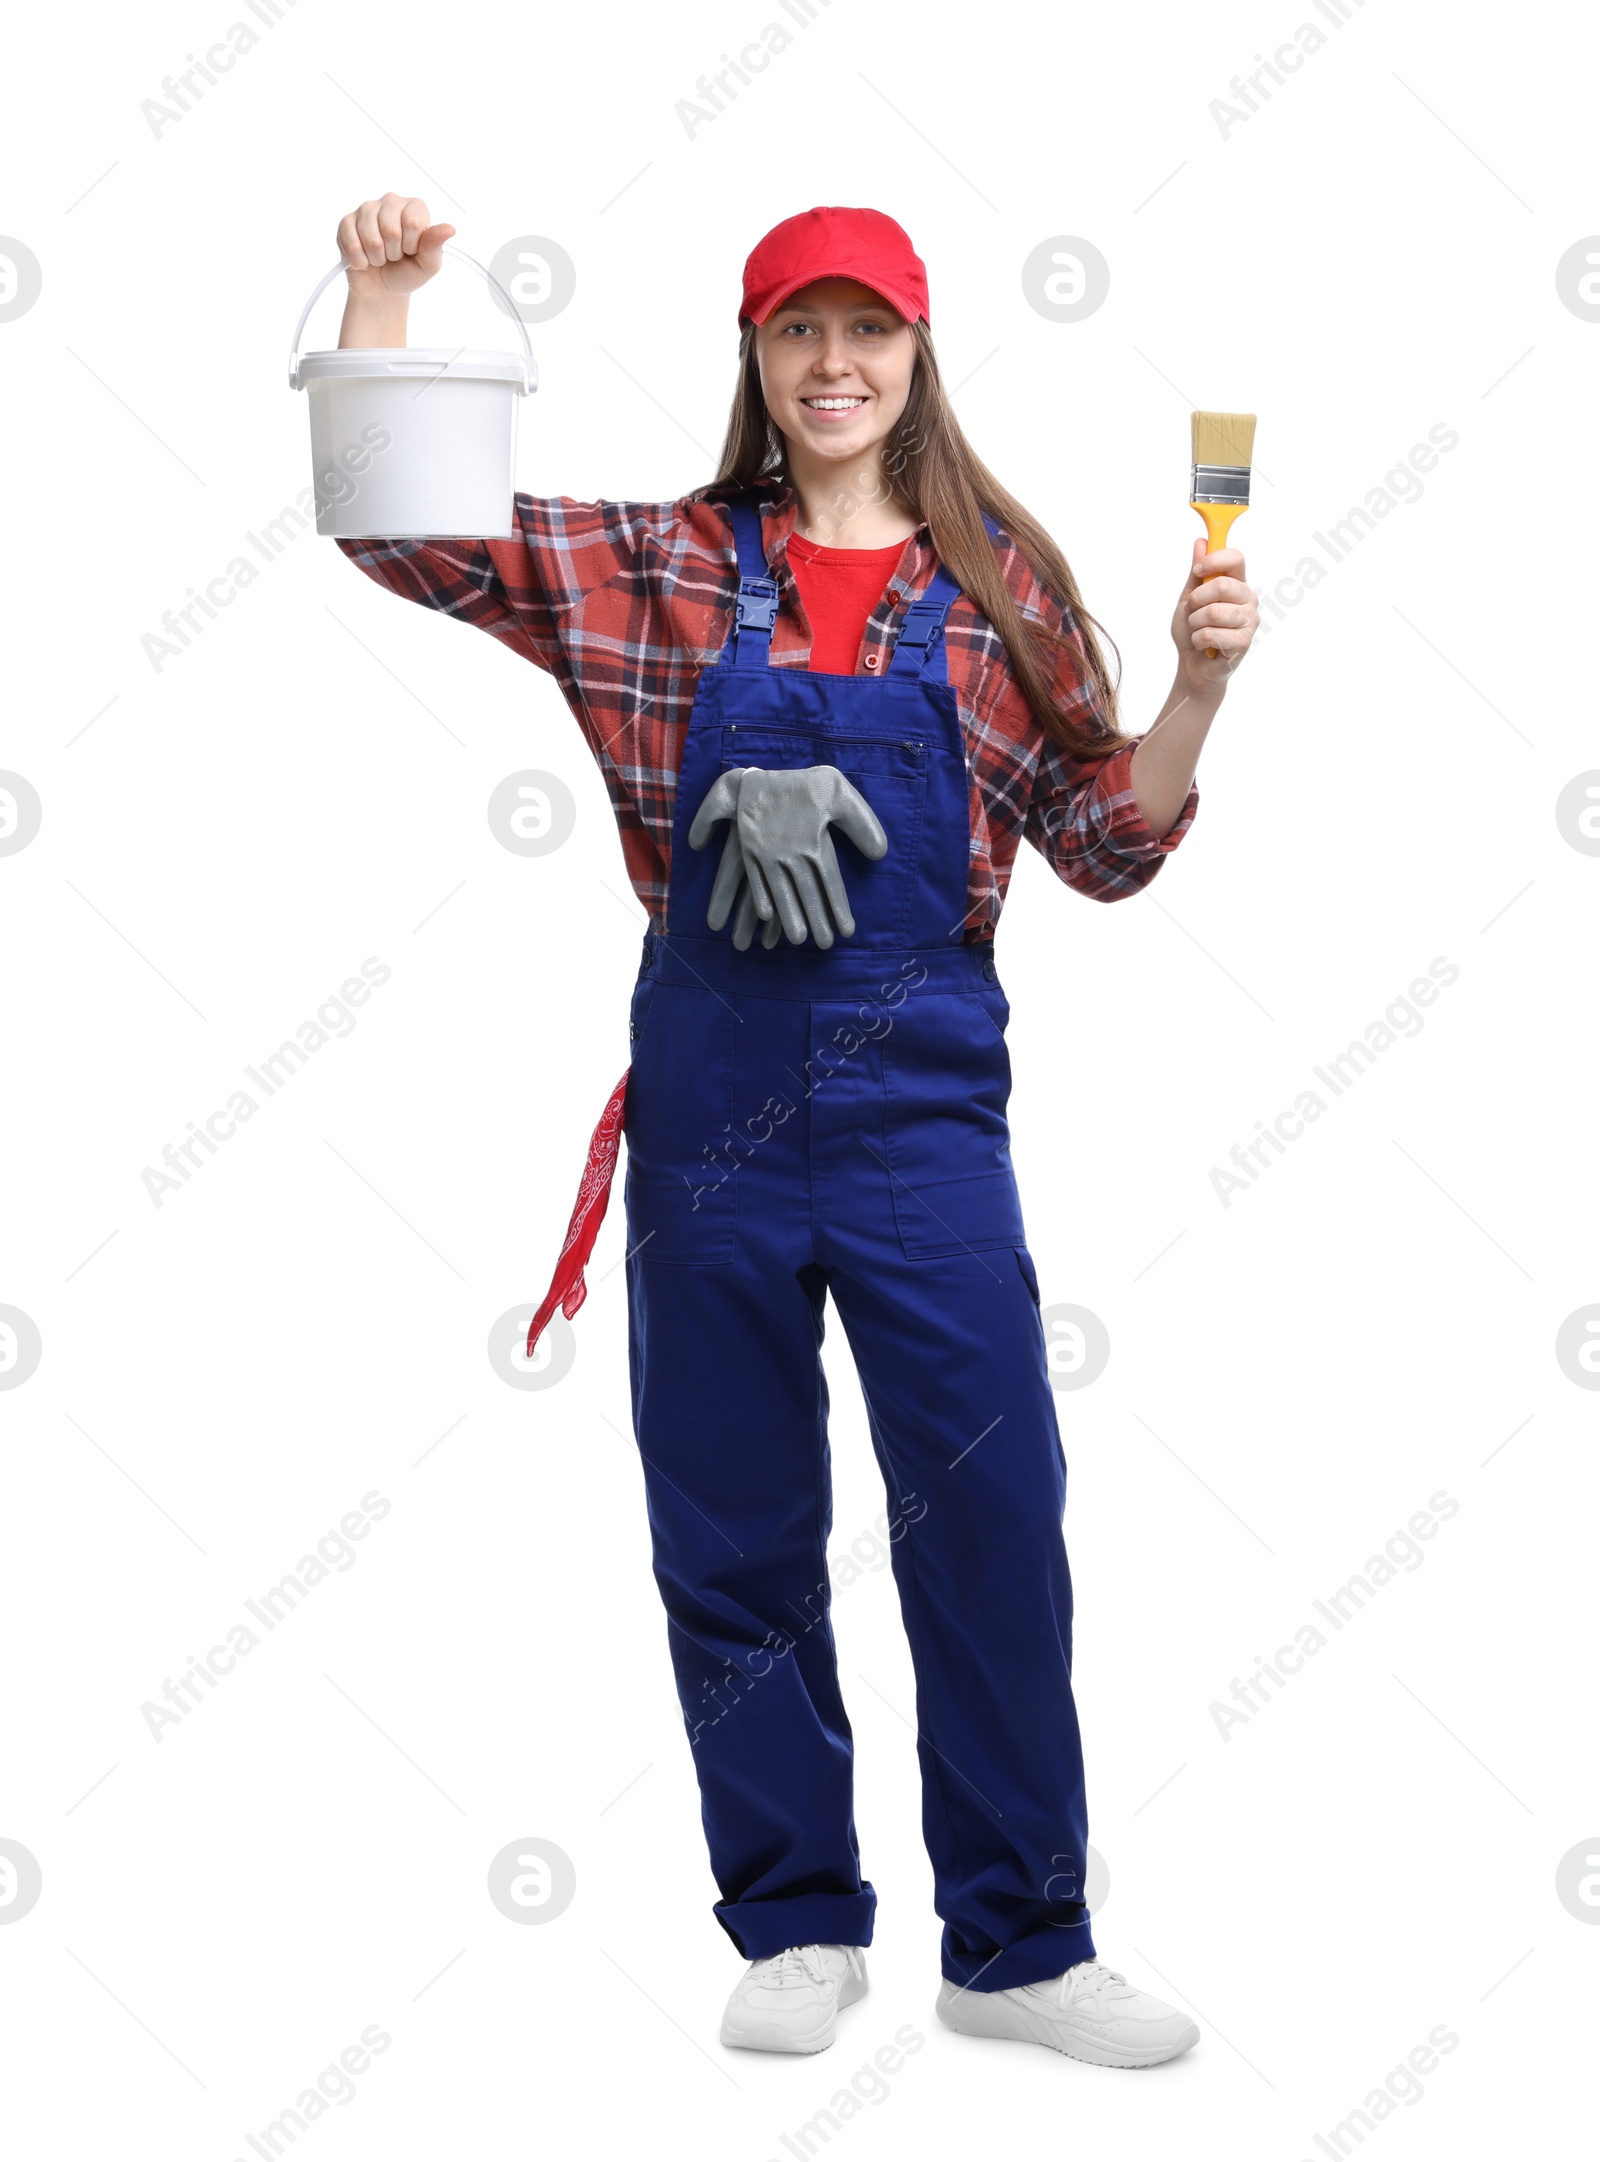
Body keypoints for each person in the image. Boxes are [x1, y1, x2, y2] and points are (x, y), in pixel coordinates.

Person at [330, 192, 1258, 2070]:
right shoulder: (660, 565)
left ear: (920, 356)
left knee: (993, 1517)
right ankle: (798, 1918)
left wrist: (1201, 688)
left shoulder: (1009, 598)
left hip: (926, 1124)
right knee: (735, 1519)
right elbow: (401, 532)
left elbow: (1103, 849)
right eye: (796, 332)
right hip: (714, 1119)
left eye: (871, 332)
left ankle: (1019, 1943)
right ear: (756, 360)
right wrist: (382, 298)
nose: (835, 366)